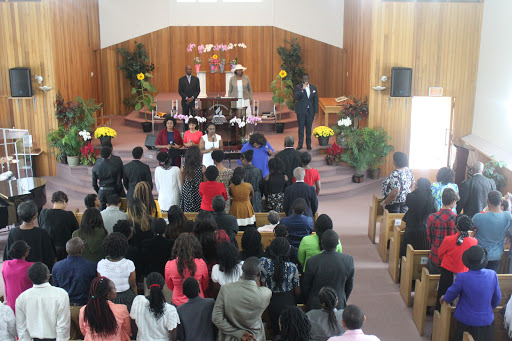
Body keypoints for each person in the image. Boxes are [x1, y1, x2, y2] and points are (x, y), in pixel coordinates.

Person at [440, 245, 501, 341]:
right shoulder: (492, 275)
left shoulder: (462, 277)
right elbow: (497, 299)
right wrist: (487, 308)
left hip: (466, 321)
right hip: (486, 321)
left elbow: (451, 294)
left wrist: (444, 298)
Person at [212, 257, 271, 341]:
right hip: (254, 337)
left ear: (242, 269)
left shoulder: (226, 289)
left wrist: (239, 333)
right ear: (258, 273)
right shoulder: (266, 294)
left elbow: (216, 318)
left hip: (229, 338)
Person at [52, 237, 97, 339]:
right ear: (81, 249)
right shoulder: (91, 266)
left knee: (69, 337)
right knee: (87, 336)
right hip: (85, 308)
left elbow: (56, 288)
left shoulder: (57, 267)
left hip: (65, 309)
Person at [16, 262, 70, 341]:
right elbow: (63, 326)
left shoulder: (22, 298)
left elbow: (21, 329)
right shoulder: (61, 294)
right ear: (48, 275)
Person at [303, 230, 354, 311]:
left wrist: (309, 302)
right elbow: (349, 286)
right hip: (339, 303)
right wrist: (342, 299)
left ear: (321, 244)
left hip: (316, 305)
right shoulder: (348, 260)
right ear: (337, 243)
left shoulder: (312, 261)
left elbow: (306, 287)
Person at [435, 215, 478, 312]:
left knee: (444, 292)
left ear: (456, 226)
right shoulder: (474, 241)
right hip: (464, 273)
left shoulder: (448, 239)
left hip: (448, 272)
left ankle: (440, 315)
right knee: (460, 297)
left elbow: (440, 254)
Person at [260, 237, 301, 336]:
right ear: (287, 252)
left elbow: (263, 285)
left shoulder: (263, 262)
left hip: (271, 301)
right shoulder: (292, 267)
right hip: (288, 301)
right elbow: (297, 291)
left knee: (275, 332)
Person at [3, 201, 56, 270]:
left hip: (19, 272)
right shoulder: (42, 233)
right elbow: (50, 257)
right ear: (35, 215)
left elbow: (8, 257)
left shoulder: (13, 232)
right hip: (39, 273)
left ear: (19, 214)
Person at [130, 272, 180, 341]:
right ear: (163, 286)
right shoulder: (170, 310)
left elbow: (133, 328)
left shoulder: (138, 301)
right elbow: (173, 337)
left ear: (147, 286)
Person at [79, 277, 131, 341]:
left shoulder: (84, 310)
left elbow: (83, 330)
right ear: (108, 293)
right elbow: (127, 330)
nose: (115, 290)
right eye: (114, 288)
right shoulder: (122, 309)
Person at [165, 233, 209, 306]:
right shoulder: (201, 263)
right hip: (198, 301)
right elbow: (204, 285)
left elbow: (170, 285)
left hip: (178, 302)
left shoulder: (169, 264)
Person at [473, 190, 512, 272]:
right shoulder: (507, 216)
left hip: (480, 254)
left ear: (487, 201)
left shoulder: (478, 217)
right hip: (496, 255)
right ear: (501, 201)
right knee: (491, 279)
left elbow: (470, 228)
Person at [97, 232, 137, 310]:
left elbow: (101, 282)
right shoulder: (129, 263)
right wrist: (135, 296)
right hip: (126, 297)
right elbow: (132, 284)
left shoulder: (101, 264)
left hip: (108, 297)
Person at [400, 177, 437, 258]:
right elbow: (435, 214)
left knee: (407, 254)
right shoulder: (432, 199)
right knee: (421, 255)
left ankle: (403, 269)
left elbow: (407, 205)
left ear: (417, 186)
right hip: (425, 231)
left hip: (411, 229)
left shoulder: (410, 196)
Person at [426, 188, 459, 275]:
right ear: (453, 202)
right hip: (450, 259)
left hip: (435, 256)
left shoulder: (432, 217)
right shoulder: (457, 219)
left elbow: (429, 237)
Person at [38, 190, 79, 260]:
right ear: (63, 202)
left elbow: (41, 226)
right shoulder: (68, 215)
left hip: (48, 249)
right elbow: (76, 231)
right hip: (65, 250)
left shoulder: (43, 213)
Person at [177, 277, 217, 341]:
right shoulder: (210, 303)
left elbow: (181, 335)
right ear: (199, 289)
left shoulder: (180, 310)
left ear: (184, 293)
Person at [2, 241, 32, 313]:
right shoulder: (31, 266)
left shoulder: (5, 265)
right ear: (26, 253)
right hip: (27, 306)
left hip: (11, 305)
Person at [294, 74, 318, 150]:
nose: (305, 81)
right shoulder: (298, 87)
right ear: (302, 80)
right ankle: (300, 145)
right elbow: (296, 97)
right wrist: (302, 89)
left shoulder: (313, 88)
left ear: (308, 79)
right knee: (301, 129)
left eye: (306, 79)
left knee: (309, 128)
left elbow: (315, 100)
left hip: (310, 112)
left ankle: (308, 144)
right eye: (304, 79)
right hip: (301, 111)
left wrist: (316, 112)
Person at [180, 146, 204, 212]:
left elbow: (182, 182)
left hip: (187, 192)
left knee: (187, 213)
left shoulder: (183, 167)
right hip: (198, 192)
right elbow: (204, 182)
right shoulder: (202, 168)